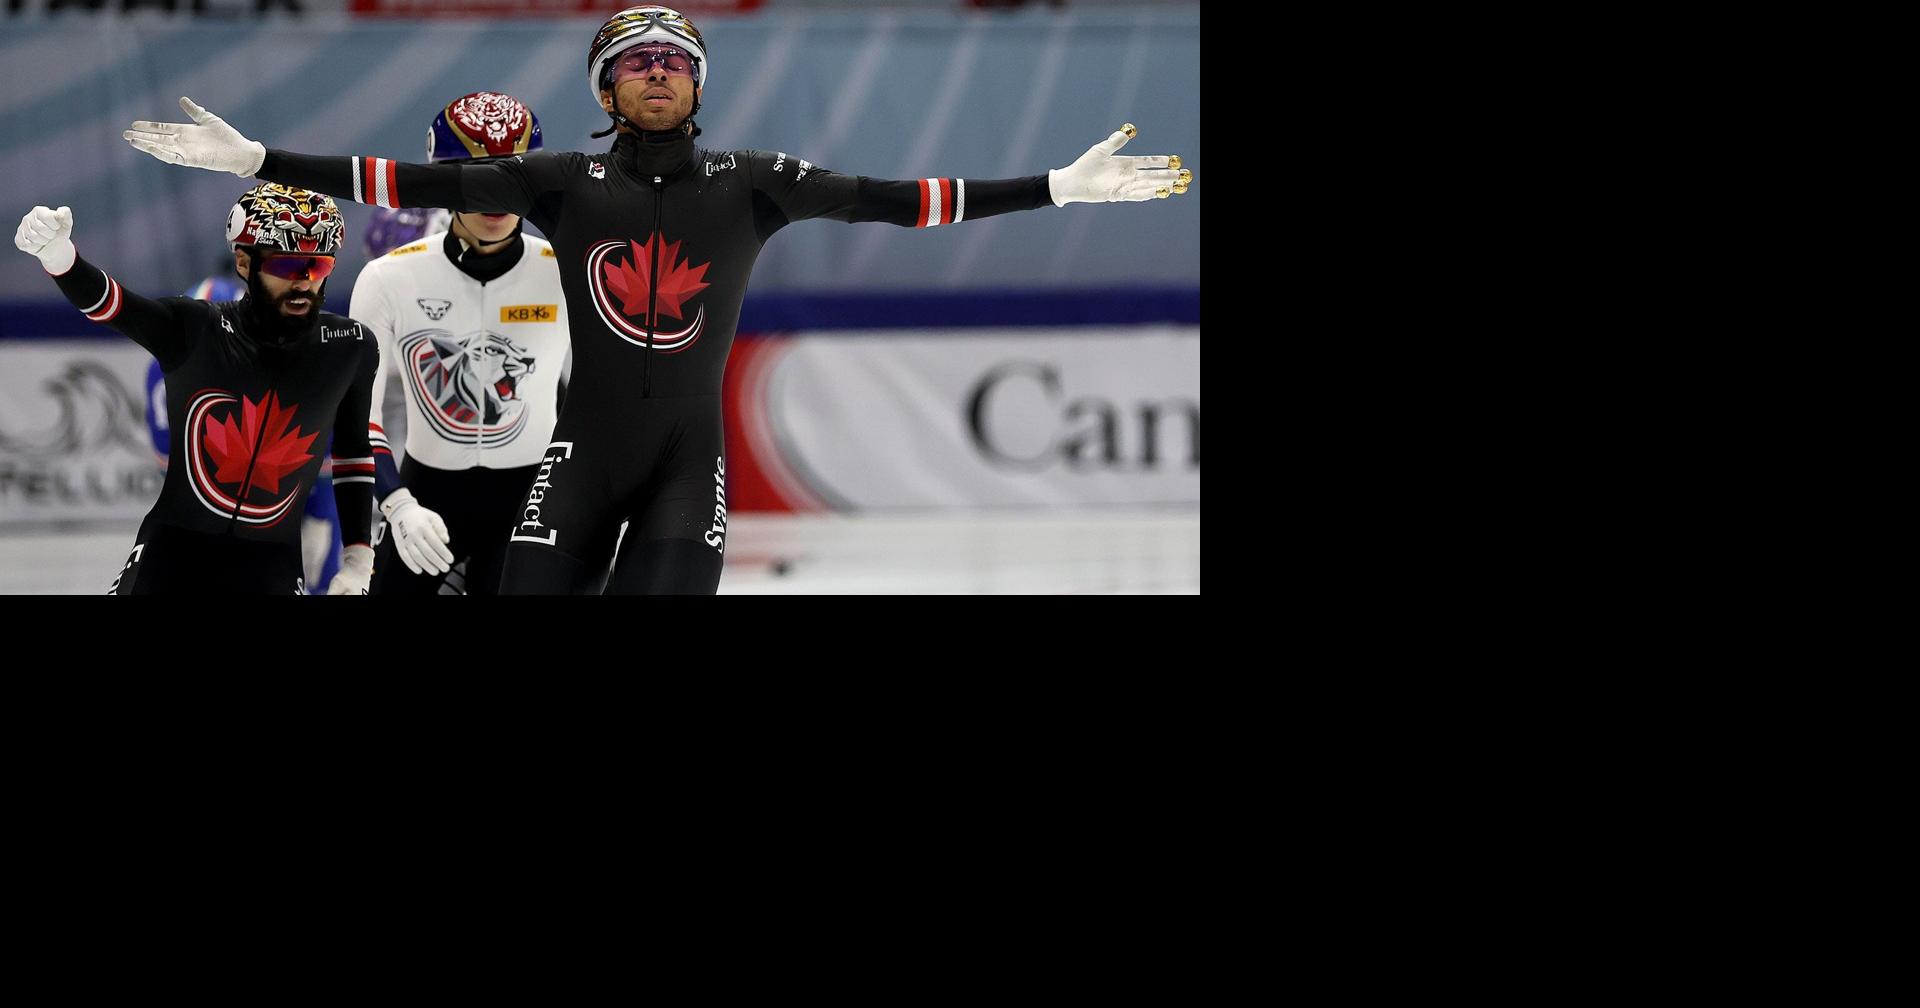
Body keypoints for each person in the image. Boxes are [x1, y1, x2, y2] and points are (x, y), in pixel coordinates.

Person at [121, 4, 1191, 595]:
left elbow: (904, 201)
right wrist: (264, 158)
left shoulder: (754, 183)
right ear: (605, 91)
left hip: (687, 468)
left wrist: (1054, 187)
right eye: (633, 61)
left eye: (674, 60)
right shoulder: (560, 185)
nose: (656, 73)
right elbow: (415, 183)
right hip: (574, 469)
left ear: (698, 84)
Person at [12, 185, 380, 595]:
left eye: (319, 266)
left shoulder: (351, 347)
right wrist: (60, 258)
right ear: (244, 262)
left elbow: (353, 455)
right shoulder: (194, 328)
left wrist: (358, 559)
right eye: (289, 265)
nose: (304, 283)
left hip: (271, 565)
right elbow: (111, 303)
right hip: (171, 557)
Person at [351, 92, 571, 595]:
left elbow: (604, 401)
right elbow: (356, 416)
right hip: (426, 495)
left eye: (512, 174)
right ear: (442, 182)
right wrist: (396, 503)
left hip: (531, 498)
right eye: (477, 177)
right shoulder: (388, 276)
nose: (496, 196)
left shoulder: (567, 271)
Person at [150, 265, 347, 590]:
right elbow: (173, 473)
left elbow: (326, 449)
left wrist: (322, 511)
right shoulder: (164, 376)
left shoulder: (297, 363)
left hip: (285, 481)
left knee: (319, 572)